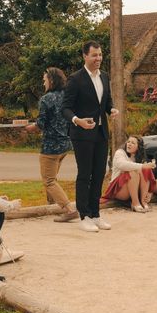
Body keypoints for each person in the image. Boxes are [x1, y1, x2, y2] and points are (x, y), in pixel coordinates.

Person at [62, 41, 119, 233]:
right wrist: (77, 120)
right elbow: (65, 108)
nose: (98, 58)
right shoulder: (75, 79)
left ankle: (95, 214)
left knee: (99, 174)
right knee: (85, 174)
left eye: (100, 54)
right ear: (85, 56)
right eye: (94, 55)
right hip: (81, 134)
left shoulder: (104, 76)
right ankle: (84, 216)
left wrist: (111, 109)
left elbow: (106, 101)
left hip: (101, 133)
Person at [25, 67, 78, 222]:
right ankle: (53, 205)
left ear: (51, 80)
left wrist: (29, 128)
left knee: (49, 181)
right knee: (53, 178)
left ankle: (69, 209)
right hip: (65, 144)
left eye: (45, 80)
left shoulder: (46, 99)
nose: (43, 83)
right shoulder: (67, 96)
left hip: (50, 146)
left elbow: (40, 124)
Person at [103, 135, 156, 212]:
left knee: (146, 170)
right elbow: (122, 165)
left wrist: (150, 192)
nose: (129, 144)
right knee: (133, 171)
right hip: (118, 189)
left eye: (133, 143)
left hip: (134, 190)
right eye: (128, 142)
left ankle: (143, 201)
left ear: (138, 147)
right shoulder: (120, 153)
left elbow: (148, 175)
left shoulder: (139, 157)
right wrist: (142, 166)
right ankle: (135, 203)